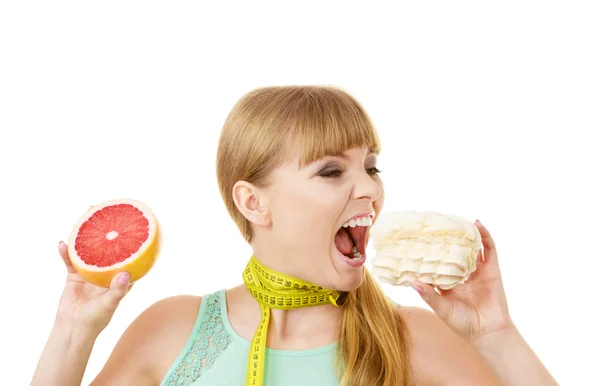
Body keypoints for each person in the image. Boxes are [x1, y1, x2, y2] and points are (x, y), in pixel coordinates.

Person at [31, 85, 558, 386]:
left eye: (371, 168)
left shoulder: (411, 341)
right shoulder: (173, 331)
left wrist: (495, 336)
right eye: (332, 172)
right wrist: (72, 331)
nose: (370, 192)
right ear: (252, 202)